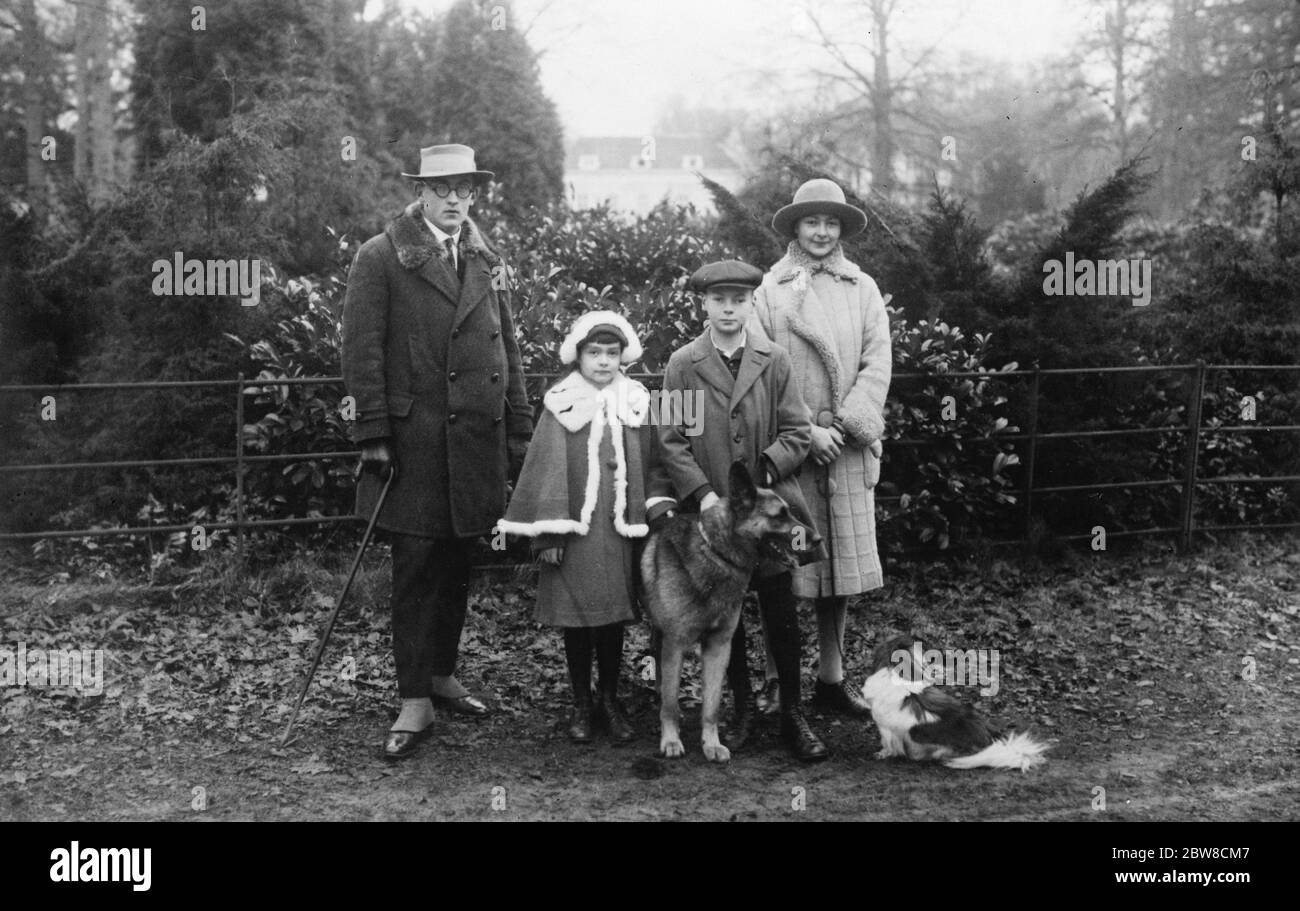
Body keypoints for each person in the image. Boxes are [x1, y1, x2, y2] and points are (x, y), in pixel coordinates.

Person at [341, 144, 533, 761]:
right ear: (420, 192)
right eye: (443, 188)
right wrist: (373, 433)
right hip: (414, 445)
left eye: (465, 189)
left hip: (476, 440)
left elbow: (507, 348)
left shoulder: (485, 256)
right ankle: (413, 700)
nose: (455, 199)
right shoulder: (381, 258)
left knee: (458, 564)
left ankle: (444, 676)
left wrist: (519, 425)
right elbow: (360, 350)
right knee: (417, 570)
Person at [656, 259, 830, 762]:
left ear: (752, 303)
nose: (728, 310)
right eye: (718, 301)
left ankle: (793, 712)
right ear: (704, 305)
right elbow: (670, 440)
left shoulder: (773, 359)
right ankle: (743, 708)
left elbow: (798, 431)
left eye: (738, 300)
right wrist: (706, 494)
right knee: (720, 611)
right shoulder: (682, 364)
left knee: (779, 608)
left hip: (768, 519)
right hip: (713, 521)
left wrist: (765, 476)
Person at [749, 178, 892, 718]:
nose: (821, 232)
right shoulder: (770, 290)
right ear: (794, 227)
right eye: (812, 221)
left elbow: (879, 360)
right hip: (793, 453)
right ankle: (774, 679)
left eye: (831, 223)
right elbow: (761, 369)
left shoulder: (863, 287)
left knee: (839, 574)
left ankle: (832, 679)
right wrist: (809, 431)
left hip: (850, 453)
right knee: (782, 569)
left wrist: (850, 424)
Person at [498, 311, 671, 744]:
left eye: (612, 353)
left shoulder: (636, 399)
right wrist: (549, 535)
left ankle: (610, 700)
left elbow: (652, 462)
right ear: (579, 355)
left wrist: (652, 518)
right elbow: (546, 472)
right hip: (575, 535)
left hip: (618, 533)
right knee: (577, 621)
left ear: (623, 357)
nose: (603, 361)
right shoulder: (562, 400)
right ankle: (581, 702)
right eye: (594, 352)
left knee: (612, 620)